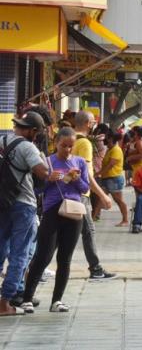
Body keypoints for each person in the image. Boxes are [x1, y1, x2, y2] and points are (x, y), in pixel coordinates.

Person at [20, 128, 87, 314]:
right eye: (64, 145)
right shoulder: (47, 161)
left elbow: (84, 188)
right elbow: (37, 190)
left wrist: (76, 179)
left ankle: (57, 300)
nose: (67, 150)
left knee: (65, 259)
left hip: (73, 213)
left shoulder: (79, 162)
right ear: (56, 142)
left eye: (70, 146)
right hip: (52, 212)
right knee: (43, 256)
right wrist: (50, 179)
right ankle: (27, 299)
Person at [0, 112, 49, 316]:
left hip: (2, 203)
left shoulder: (1, 140)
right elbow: (43, 172)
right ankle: (5, 303)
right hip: (23, 204)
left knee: (1, 249)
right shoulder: (28, 147)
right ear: (33, 131)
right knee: (20, 253)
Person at [70, 111, 116, 281]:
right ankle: (96, 269)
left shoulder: (66, 138)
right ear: (89, 123)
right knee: (88, 231)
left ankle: (36, 268)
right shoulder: (85, 144)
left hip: (66, 192)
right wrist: (103, 195)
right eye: (94, 122)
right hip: (81, 195)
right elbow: (87, 175)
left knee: (63, 233)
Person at [97, 131, 128, 227]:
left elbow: (110, 165)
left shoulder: (116, 150)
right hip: (107, 178)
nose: (106, 142)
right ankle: (94, 216)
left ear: (111, 139)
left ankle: (125, 220)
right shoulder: (110, 149)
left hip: (114, 179)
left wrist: (98, 173)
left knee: (118, 200)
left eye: (108, 139)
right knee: (100, 198)